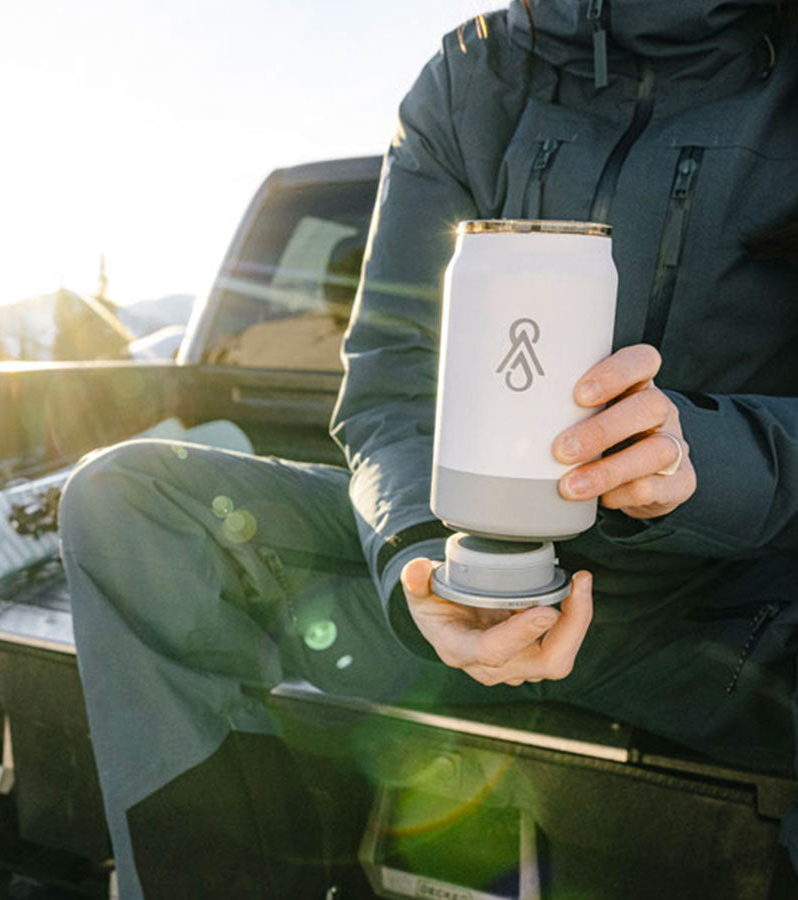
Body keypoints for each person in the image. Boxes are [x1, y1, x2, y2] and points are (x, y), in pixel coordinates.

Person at [58, 1, 798, 897]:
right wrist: (417, 556)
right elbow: (391, 379)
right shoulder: (475, 75)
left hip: (720, 629)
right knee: (131, 500)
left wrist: (705, 459)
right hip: (454, 587)